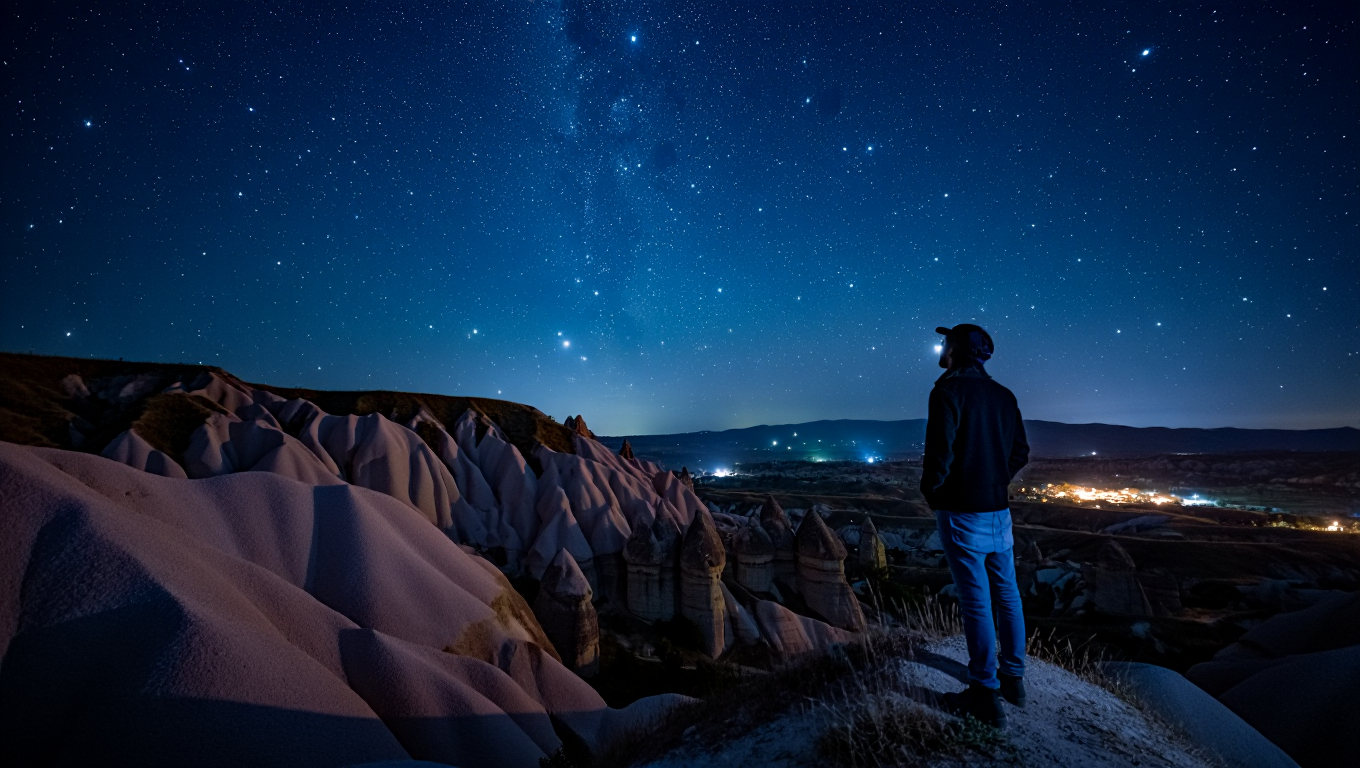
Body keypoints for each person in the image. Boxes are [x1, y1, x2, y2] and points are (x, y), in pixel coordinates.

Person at [921, 324, 1030, 729]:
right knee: (1008, 594)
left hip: (962, 511)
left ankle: (985, 695)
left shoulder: (947, 392)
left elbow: (939, 456)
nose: (941, 347)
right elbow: (1021, 450)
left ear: (957, 349)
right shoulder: (1004, 396)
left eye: (946, 342)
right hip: (998, 510)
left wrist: (935, 493)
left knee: (976, 601)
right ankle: (1013, 681)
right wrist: (996, 479)